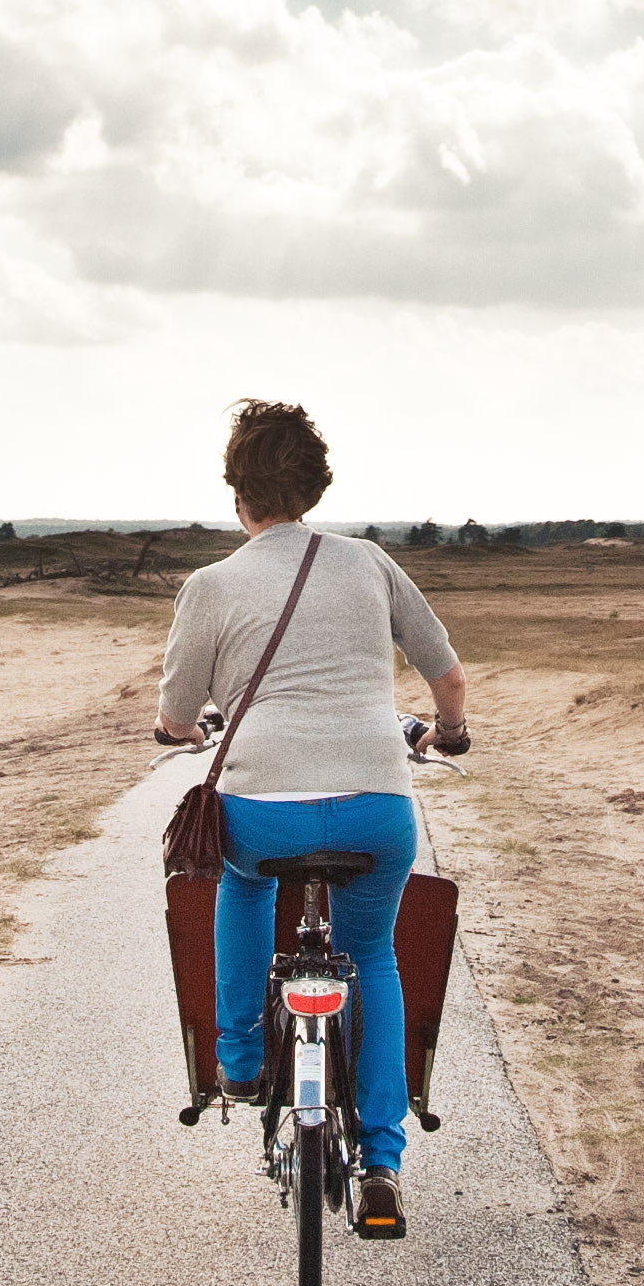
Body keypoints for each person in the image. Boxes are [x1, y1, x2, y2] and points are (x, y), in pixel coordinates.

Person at [153, 398, 468, 1241]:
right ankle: (383, 1163)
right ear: (316, 488)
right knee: (374, 955)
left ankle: (241, 1062)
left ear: (237, 493)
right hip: (376, 810)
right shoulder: (370, 564)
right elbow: (447, 677)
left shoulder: (211, 586)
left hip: (263, 816)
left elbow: (177, 714)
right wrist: (449, 733)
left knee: (245, 888)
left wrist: (185, 732)